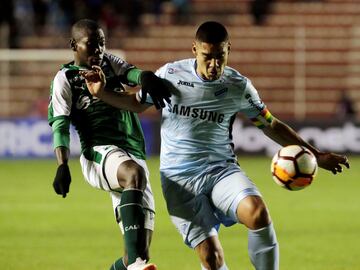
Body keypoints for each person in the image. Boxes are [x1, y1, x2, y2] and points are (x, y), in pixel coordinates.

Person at [84, 21, 350, 270]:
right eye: (207, 56)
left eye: (219, 56)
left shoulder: (238, 86)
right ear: (194, 50)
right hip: (179, 182)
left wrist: (317, 155)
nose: (213, 64)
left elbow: (270, 124)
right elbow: (135, 104)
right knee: (212, 258)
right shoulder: (171, 75)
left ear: (228, 50)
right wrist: (101, 93)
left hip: (221, 171)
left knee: (257, 213)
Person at [48, 19, 170, 270]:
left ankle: (131, 263)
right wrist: (62, 165)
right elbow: (60, 126)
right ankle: (136, 263)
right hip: (98, 153)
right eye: (91, 45)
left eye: (102, 44)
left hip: (131, 152)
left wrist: (146, 77)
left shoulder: (108, 63)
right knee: (133, 175)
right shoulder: (65, 78)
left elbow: (132, 73)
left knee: (138, 252)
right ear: (74, 45)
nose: (98, 51)